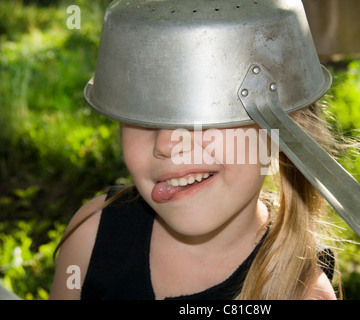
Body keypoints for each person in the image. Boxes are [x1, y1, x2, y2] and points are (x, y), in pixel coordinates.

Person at [49, 0, 340, 300]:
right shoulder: (92, 235)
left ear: (284, 126)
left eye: (207, 110)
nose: (165, 144)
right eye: (140, 110)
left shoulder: (303, 293)